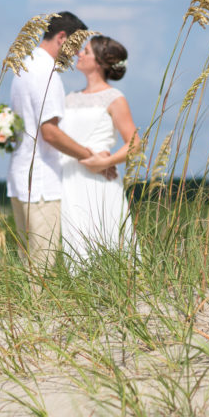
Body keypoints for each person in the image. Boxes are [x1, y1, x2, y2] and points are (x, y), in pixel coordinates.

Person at [7, 12, 114, 273]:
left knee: (28, 261)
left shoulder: (24, 66)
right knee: (43, 265)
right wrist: (91, 157)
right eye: (76, 46)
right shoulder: (46, 73)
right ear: (62, 37)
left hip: (20, 178)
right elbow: (50, 132)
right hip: (41, 183)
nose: (76, 54)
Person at [60, 35, 136, 264]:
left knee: (105, 238)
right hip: (68, 178)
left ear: (100, 62)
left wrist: (105, 162)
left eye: (86, 51)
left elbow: (134, 143)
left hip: (99, 180)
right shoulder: (70, 98)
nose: (79, 54)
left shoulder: (114, 98)